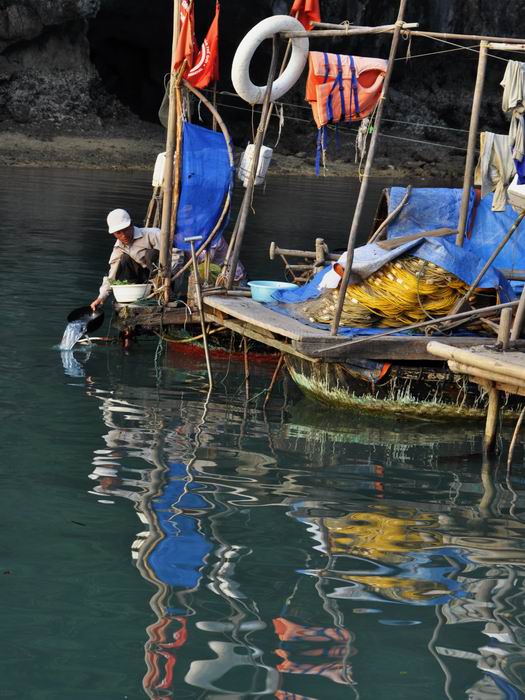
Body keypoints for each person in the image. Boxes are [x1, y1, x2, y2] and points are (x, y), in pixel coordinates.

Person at [90, 208, 166, 311]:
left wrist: (165, 276)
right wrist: (101, 297)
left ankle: (155, 290)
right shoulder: (119, 248)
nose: (123, 235)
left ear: (131, 225)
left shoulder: (153, 234)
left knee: (151, 254)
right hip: (142, 283)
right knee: (124, 258)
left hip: (163, 279)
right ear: (114, 234)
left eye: (125, 230)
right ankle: (134, 293)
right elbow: (112, 275)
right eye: (118, 233)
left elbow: (175, 256)